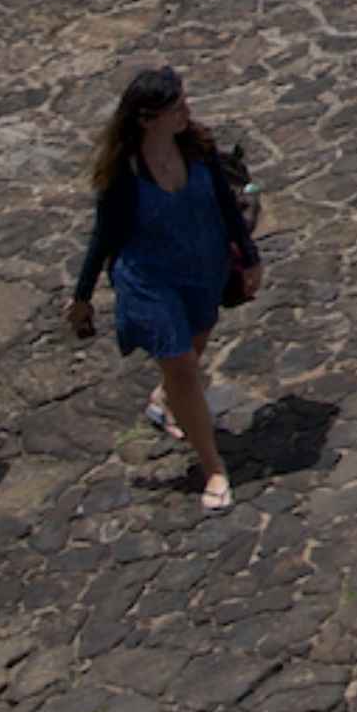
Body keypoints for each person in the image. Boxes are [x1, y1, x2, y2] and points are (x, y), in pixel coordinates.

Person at [70, 64, 258, 514]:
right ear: (147, 118)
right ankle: (213, 467)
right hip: (150, 282)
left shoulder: (198, 148)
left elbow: (226, 208)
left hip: (202, 267)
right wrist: (81, 296)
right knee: (182, 367)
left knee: (190, 352)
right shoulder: (124, 176)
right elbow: (104, 238)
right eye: (176, 108)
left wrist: (249, 256)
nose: (185, 114)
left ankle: (167, 399)